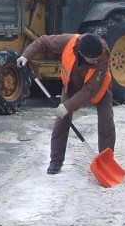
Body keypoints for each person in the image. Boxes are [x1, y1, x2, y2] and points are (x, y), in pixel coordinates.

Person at [16, 33, 115, 175]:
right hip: (71, 86)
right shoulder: (68, 42)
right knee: (62, 121)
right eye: (92, 60)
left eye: (96, 59)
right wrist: (26, 55)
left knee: (106, 122)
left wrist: (67, 107)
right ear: (81, 52)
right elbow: (44, 41)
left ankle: (107, 163)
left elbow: (90, 91)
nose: (95, 61)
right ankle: (55, 161)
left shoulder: (102, 58)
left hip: (100, 89)